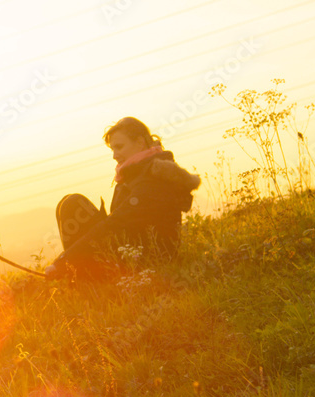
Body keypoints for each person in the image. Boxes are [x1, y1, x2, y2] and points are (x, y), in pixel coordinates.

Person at [46, 117, 201, 279]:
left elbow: (115, 224)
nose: (114, 155)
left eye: (119, 147)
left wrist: (63, 260)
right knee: (70, 202)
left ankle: (83, 284)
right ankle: (76, 277)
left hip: (145, 260)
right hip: (130, 248)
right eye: (112, 149)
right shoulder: (136, 172)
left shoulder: (153, 177)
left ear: (140, 143)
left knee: (73, 204)